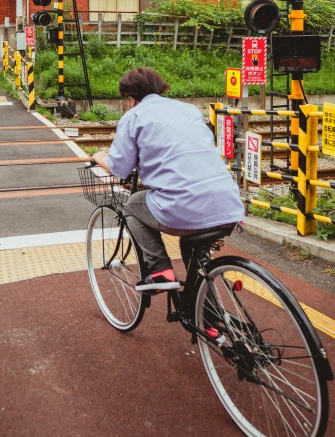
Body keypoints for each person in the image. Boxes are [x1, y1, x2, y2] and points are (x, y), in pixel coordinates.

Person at [93, 67, 245, 292]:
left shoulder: (133, 116)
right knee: (194, 249)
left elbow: (120, 168)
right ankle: (210, 320)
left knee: (131, 205)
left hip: (183, 207)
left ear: (130, 98)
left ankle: (160, 270)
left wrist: (99, 157)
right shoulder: (189, 110)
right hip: (229, 204)